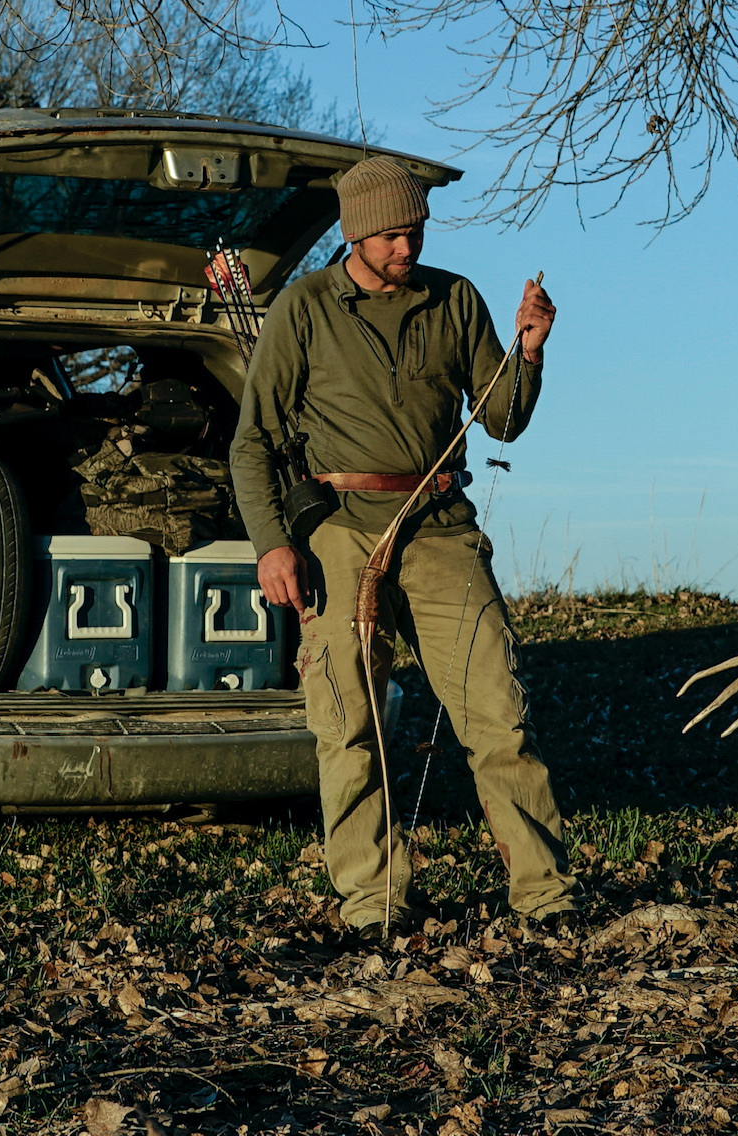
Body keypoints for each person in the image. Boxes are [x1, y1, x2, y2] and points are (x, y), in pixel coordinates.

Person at [229, 155, 575, 930]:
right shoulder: (305, 307)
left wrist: (529, 350)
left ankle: (546, 897)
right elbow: (252, 441)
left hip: (441, 527)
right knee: (348, 721)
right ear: (355, 233)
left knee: (497, 710)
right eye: (389, 234)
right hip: (338, 531)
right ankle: (371, 901)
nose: (406, 246)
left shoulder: (453, 298)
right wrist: (272, 545)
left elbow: (502, 418)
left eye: (414, 229)